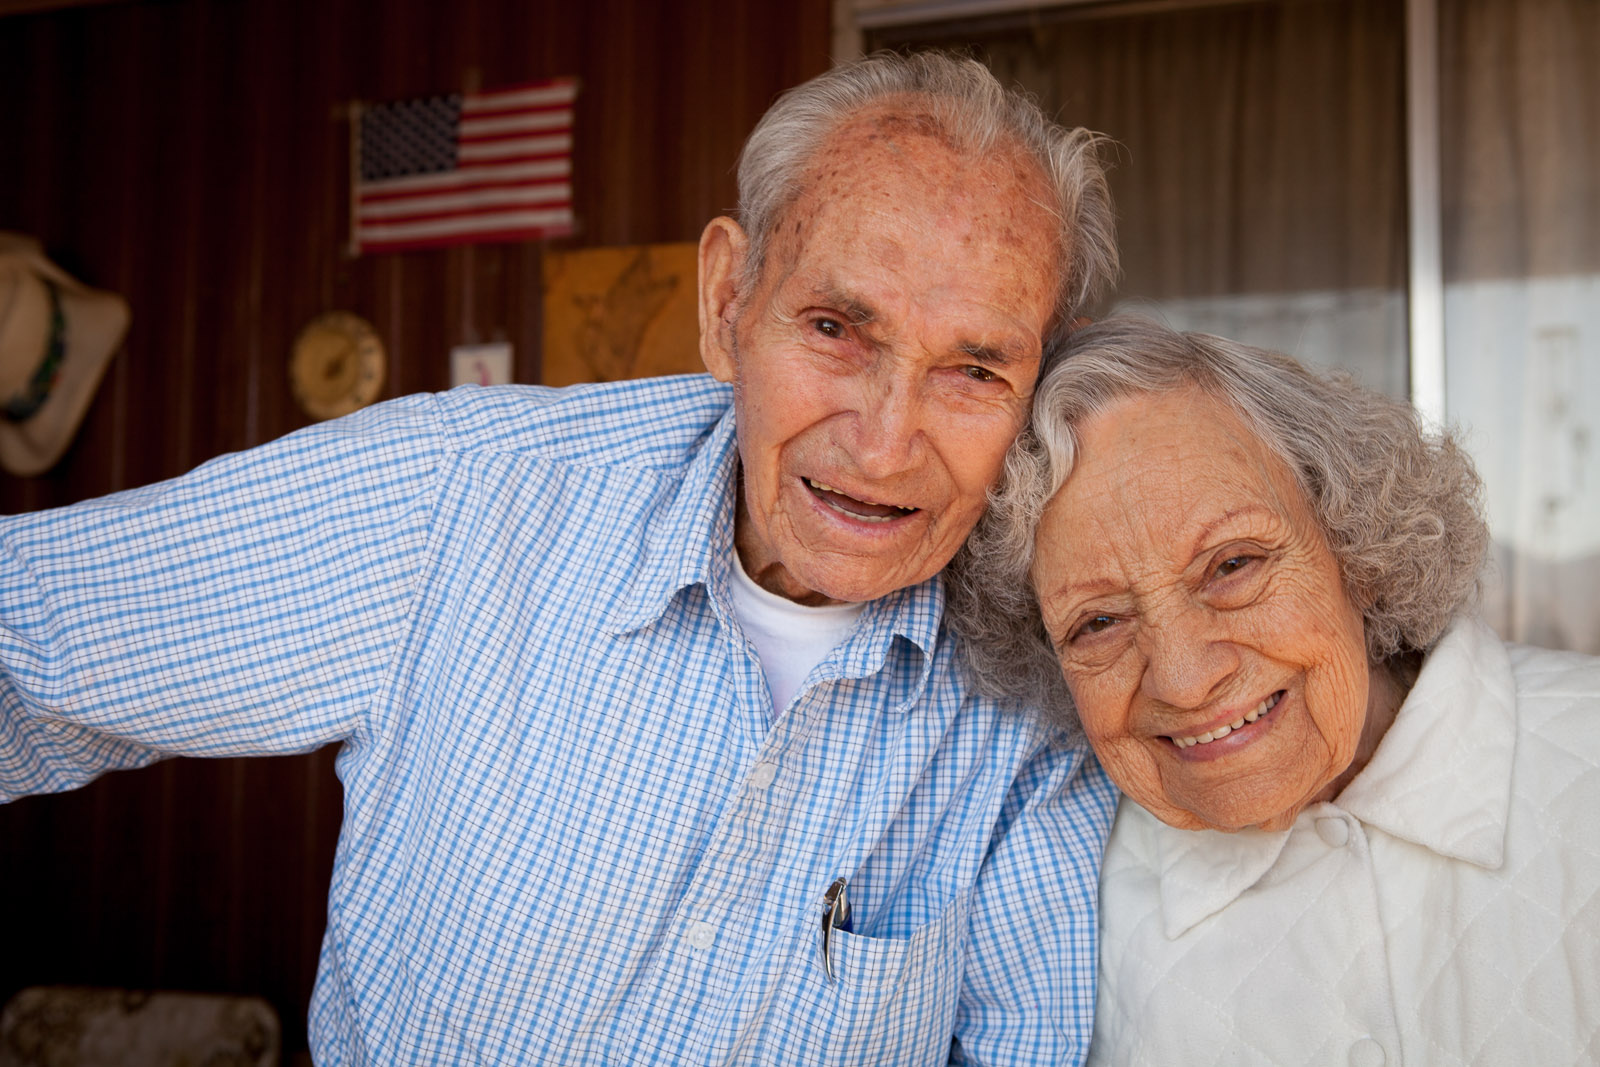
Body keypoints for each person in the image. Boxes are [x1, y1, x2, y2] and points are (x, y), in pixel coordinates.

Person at [0, 53, 1122, 1065]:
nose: (883, 440)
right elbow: (23, 642)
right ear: (727, 299)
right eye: (835, 327)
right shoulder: (466, 498)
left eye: (973, 370)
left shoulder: (1038, 679)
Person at [951, 316, 1600, 1065]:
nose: (1187, 679)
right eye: (1097, 622)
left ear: (1355, 544)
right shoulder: (1055, 916)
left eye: (1233, 565)